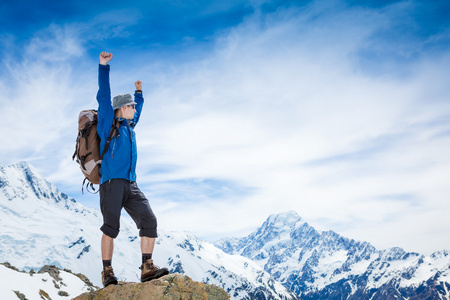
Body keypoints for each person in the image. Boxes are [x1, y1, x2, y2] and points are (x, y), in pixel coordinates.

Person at [96, 51, 168, 287]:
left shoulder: (129, 125)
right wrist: (103, 66)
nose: (135, 109)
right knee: (110, 227)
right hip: (111, 183)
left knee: (149, 221)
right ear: (122, 108)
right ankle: (107, 272)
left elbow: (140, 109)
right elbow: (104, 96)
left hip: (131, 183)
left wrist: (139, 93)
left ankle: (147, 267)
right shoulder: (108, 124)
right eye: (132, 106)